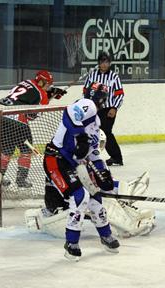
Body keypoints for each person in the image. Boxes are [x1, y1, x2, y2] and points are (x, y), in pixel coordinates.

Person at [25, 130, 155, 238]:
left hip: (59, 205)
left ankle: (127, 208)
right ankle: (130, 226)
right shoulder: (71, 163)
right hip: (62, 209)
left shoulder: (74, 159)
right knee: (103, 203)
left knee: (98, 199)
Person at [43, 82, 120, 261]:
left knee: (95, 197)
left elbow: (93, 153)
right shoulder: (87, 105)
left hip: (72, 164)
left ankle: (105, 235)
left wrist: (104, 174)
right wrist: (82, 136)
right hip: (55, 160)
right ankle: (71, 243)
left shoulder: (96, 122)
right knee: (80, 197)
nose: (98, 101)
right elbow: (68, 113)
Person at [0, 70, 66, 187]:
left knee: (6, 150)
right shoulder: (43, 95)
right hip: (18, 121)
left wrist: (50, 94)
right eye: (47, 84)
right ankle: (21, 180)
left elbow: (28, 96)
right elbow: (31, 116)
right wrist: (48, 98)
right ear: (41, 82)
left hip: (2, 115)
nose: (49, 87)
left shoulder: (26, 82)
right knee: (26, 150)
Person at [83, 51, 125, 166]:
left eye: (107, 62)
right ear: (99, 63)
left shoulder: (114, 77)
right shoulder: (92, 75)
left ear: (110, 63)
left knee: (106, 132)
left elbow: (120, 94)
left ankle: (116, 157)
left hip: (108, 110)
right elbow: (86, 91)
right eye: (102, 62)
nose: (104, 64)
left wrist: (115, 108)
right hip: (94, 109)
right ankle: (89, 155)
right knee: (91, 131)